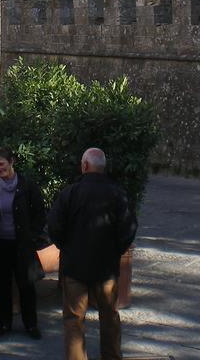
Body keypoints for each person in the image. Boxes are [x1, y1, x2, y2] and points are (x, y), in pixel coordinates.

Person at [47, 148, 137, 360]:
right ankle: (112, 356)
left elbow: (54, 225)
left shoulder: (70, 193)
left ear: (84, 166)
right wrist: (115, 250)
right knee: (110, 317)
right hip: (106, 268)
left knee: (73, 320)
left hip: (75, 266)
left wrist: (66, 247)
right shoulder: (117, 194)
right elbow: (129, 228)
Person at [0, 146, 45, 340]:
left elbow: (39, 212)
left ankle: (31, 324)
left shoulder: (27, 185)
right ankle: (3, 323)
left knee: (26, 284)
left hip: (21, 243)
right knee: (2, 285)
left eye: (1, 164)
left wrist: (32, 235)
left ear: (12, 162)